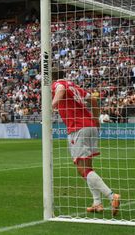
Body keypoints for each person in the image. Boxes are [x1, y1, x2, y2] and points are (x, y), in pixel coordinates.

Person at [52, 69, 120, 215]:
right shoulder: (74, 86)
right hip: (90, 126)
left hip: (78, 128)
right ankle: (97, 203)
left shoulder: (58, 84)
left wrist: (53, 103)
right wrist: (96, 120)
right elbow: (93, 100)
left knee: (82, 169)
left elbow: (60, 89)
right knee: (87, 167)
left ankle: (111, 196)